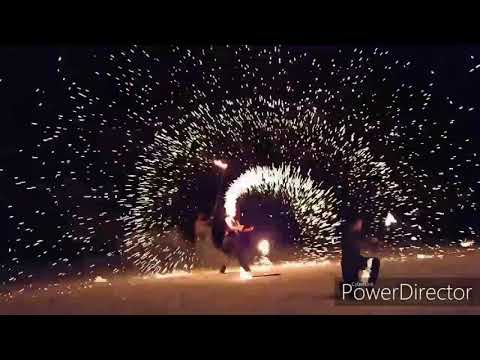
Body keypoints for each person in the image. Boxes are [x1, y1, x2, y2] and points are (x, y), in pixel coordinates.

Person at [341, 217, 381, 290]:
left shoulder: (355, 234)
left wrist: (371, 241)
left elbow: (362, 241)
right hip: (349, 265)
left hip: (357, 260)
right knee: (353, 291)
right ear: (354, 224)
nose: (361, 226)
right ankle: (346, 286)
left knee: (375, 262)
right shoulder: (348, 235)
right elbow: (356, 244)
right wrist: (370, 242)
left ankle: (369, 288)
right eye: (360, 224)